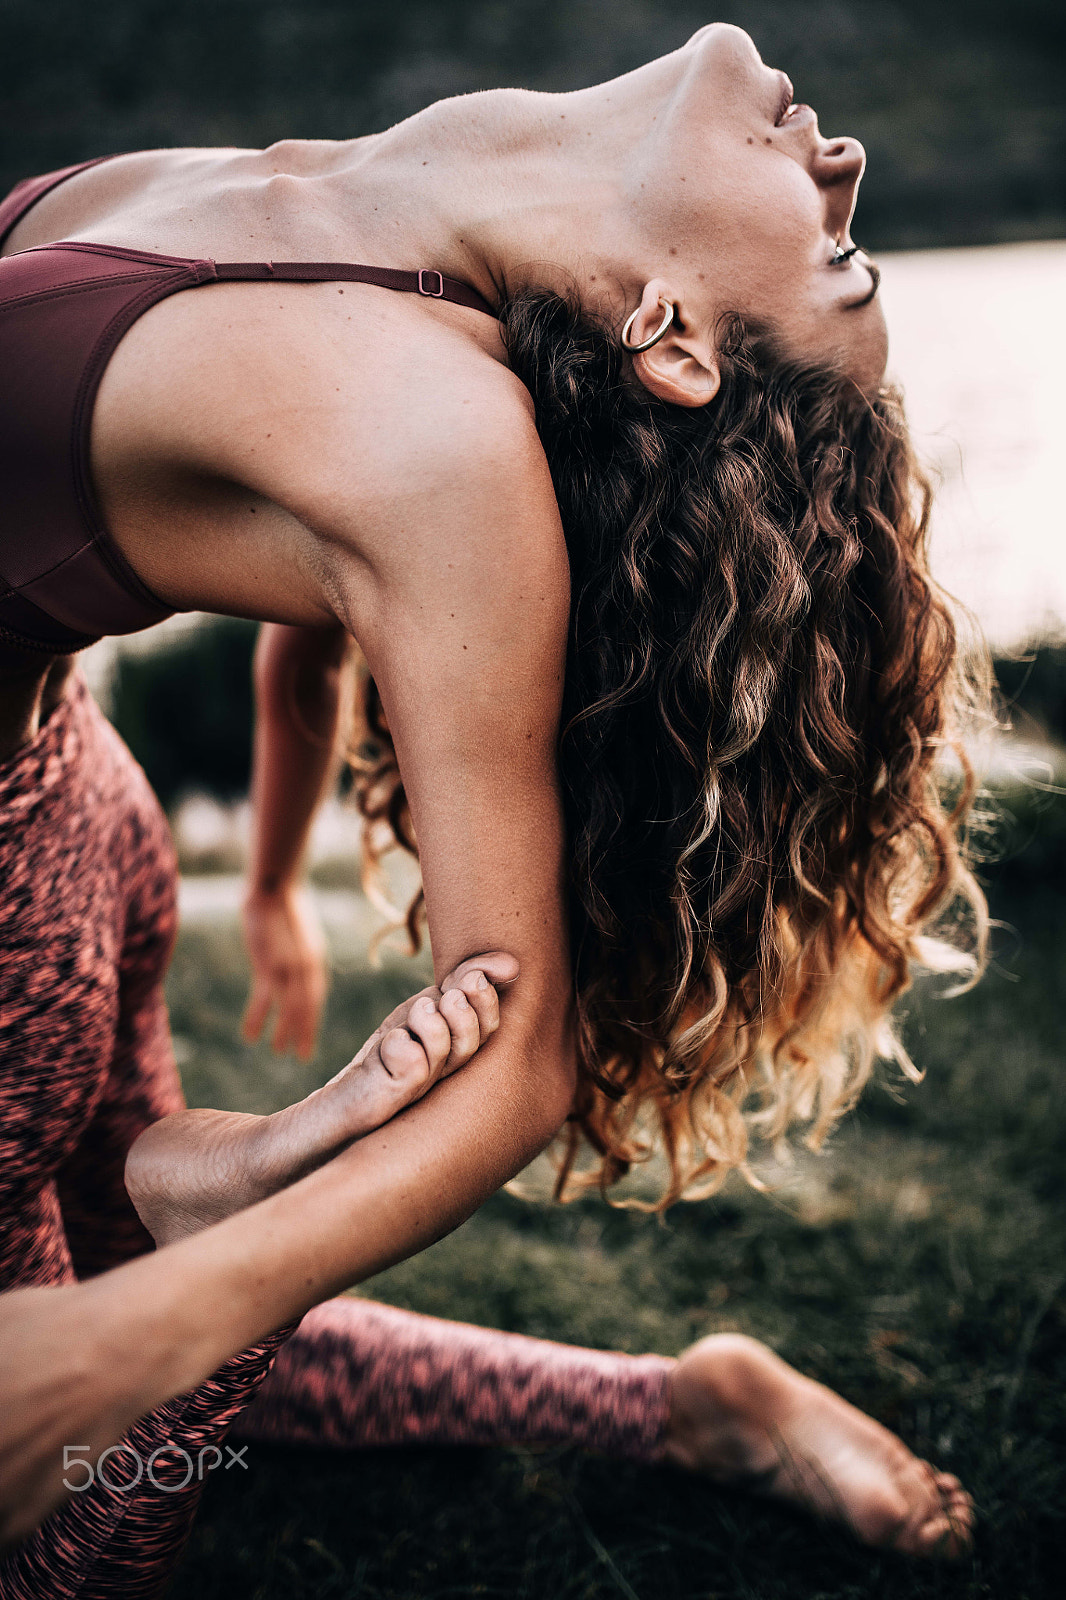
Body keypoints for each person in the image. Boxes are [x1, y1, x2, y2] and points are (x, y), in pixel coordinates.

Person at [0, 19, 979, 1589]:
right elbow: (314, 622)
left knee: (52, 1468)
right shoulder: (377, 231)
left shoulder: (435, 432)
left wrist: (149, 1329)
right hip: (69, 810)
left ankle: (205, 1302)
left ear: (674, 337)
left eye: (836, 256)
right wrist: (263, 883)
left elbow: (514, 1059)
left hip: (13, 903)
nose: (845, 169)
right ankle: (666, 1399)